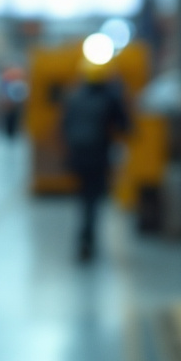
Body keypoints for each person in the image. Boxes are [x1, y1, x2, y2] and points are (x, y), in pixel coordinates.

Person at [60, 58, 131, 263]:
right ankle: (87, 239)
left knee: (84, 197)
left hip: (77, 155)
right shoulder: (110, 98)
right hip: (98, 155)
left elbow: (64, 125)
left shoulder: (73, 96)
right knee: (93, 198)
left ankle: (84, 238)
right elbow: (126, 125)